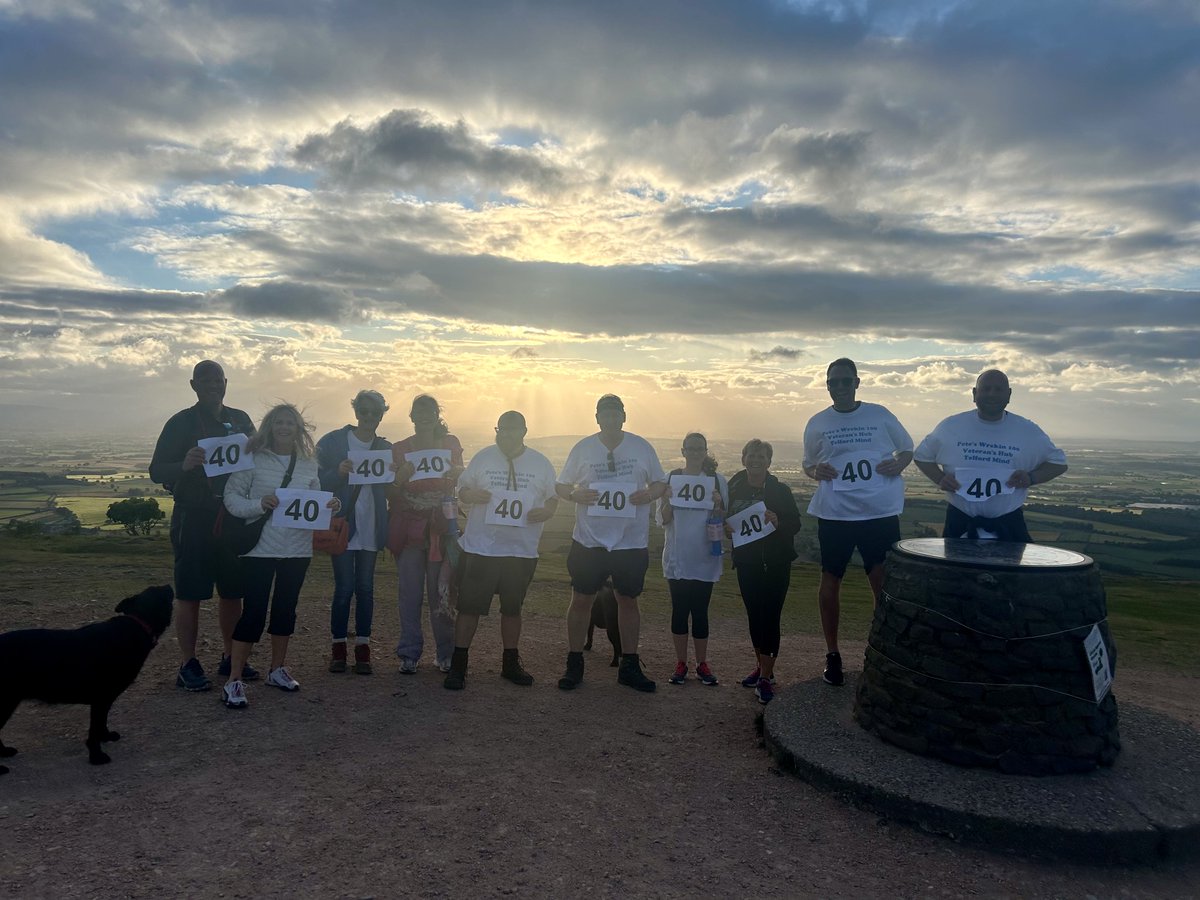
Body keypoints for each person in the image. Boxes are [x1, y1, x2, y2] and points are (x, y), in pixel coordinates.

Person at [802, 359, 913, 687]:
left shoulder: (880, 414)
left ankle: (884, 650)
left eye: (845, 381)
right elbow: (809, 464)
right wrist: (814, 472)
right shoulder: (818, 422)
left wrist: (899, 465)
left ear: (857, 382)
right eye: (833, 382)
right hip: (835, 512)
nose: (839, 387)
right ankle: (833, 654)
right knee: (830, 581)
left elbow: (906, 449)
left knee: (883, 583)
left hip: (878, 512)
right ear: (827, 385)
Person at [220, 404, 338, 709]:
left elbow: (314, 500)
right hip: (260, 549)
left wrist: (330, 505)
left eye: (291, 423)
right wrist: (260, 504)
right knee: (254, 613)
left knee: (286, 610)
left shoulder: (309, 463)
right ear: (269, 426)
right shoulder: (253, 459)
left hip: (297, 549)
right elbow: (232, 498)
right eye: (279, 422)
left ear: (299, 429)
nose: (284, 428)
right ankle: (234, 679)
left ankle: (277, 669)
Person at [149, 360, 257, 693]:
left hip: (233, 517)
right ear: (193, 385)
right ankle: (188, 663)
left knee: (232, 592)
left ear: (226, 382)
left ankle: (229, 656)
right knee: (190, 593)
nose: (213, 385)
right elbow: (156, 471)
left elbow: (260, 458)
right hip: (193, 517)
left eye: (217, 380)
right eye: (205, 380)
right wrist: (183, 464)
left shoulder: (240, 419)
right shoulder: (180, 423)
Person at [555, 394, 667, 693]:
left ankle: (629, 664)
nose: (610, 418)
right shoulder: (583, 448)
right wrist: (574, 495)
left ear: (623, 416)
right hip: (589, 539)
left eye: (615, 413)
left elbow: (660, 482)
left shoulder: (642, 447)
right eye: (605, 413)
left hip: (630, 541)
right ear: (597, 418)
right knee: (581, 599)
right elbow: (562, 485)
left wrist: (650, 495)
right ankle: (574, 662)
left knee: (628, 600)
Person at [444, 411, 559, 690]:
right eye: (500, 429)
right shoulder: (483, 457)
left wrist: (546, 512)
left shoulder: (541, 463)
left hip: (520, 551)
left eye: (510, 429)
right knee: (469, 608)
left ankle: (510, 664)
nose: (504, 434)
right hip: (482, 547)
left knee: (512, 609)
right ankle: (458, 666)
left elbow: (552, 499)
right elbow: (462, 489)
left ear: (524, 431)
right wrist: (469, 496)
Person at [914, 369, 1068, 542]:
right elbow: (922, 456)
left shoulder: (1028, 431)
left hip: (1008, 523)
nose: (992, 394)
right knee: (955, 570)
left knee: (1009, 571)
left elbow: (1058, 463)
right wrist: (940, 479)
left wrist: (1031, 478)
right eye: (986, 389)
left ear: (1009, 394)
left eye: (998, 389)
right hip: (960, 521)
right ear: (974, 393)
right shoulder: (951, 426)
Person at [316, 390, 392, 675]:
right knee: (344, 589)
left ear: (382, 413)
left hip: (372, 526)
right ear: (355, 410)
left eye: (375, 412)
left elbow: (393, 487)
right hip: (344, 526)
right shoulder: (333, 441)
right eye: (364, 411)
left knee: (366, 589)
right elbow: (316, 479)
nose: (369, 417)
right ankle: (338, 648)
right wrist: (338, 472)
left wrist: (398, 472)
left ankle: (362, 648)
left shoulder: (386, 447)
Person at [386, 395, 463, 675]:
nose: (424, 416)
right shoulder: (399, 449)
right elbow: (389, 492)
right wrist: (399, 479)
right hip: (409, 529)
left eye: (429, 411)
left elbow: (459, 479)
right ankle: (409, 654)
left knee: (440, 592)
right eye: (419, 411)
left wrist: (458, 472)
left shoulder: (451, 444)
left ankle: (446, 653)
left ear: (436, 414)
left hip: (440, 530)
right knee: (409, 594)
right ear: (412, 416)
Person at [727, 439, 801, 705]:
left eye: (761, 456)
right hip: (747, 564)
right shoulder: (733, 488)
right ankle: (762, 667)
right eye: (751, 455)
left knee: (770, 618)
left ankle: (766, 678)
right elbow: (726, 520)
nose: (755, 460)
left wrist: (779, 521)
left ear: (769, 462)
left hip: (775, 564)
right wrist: (726, 529)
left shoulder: (780, 490)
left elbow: (795, 524)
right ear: (743, 458)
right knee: (754, 617)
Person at [658, 433, 728, 686]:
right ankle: (681, 663)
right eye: (691, 448)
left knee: (700, 612)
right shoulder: (672, 477)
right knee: (679, 611)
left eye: (700, 449)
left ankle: (701, 663)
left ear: (705, 451)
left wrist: (718, 505)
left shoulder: (717, 481)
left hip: (705, 556)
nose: (696, 453)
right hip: (677, 556)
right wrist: (666, 498)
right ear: (683, 450)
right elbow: (663, 519)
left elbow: (723, 518)